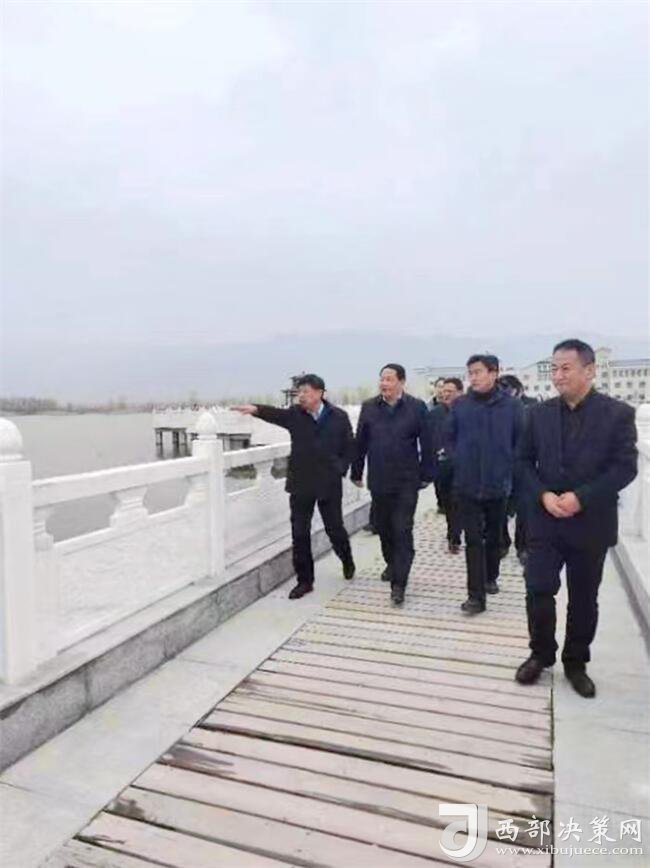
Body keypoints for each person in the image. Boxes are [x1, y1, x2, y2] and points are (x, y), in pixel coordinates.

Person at [515, 339, 637, 697]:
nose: (557, 375)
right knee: (538, 589)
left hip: (591, 522)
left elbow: (625, 467)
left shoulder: (617, 414)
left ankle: (576, 662)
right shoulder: (537, 414)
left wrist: (581, 498)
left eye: (565, 368)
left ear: (589, 370)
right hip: (545, 519)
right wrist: (543, 495)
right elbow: (522, 462)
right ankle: (540, 654)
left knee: (583, 598)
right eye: (553, 368)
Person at [232, 374, 355, 599]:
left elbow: (349, 447)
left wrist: (340, 468)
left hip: (328, 484)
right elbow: (274, 414)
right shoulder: (295, 415)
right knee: (299, 534)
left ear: (319, 393)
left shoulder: (338, 417)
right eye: (299, 392)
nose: (301, 396)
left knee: (335, 529)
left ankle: (347, 559)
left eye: (305, 391)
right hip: (301, 484)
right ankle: (304, 581)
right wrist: (255, 409)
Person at [446, 354, 524, 614]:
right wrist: (458, 459)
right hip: (467, 484)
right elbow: (449, 437)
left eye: (478, 372)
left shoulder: (512, 406)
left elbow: (521, 442)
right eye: (470, 372)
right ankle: (475, 597)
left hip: (498, 484)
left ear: (494, 373)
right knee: (473, 541)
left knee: (494, 537)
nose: (473, 377)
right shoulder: (460, 405)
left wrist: (508, 468)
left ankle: (491, 576)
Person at [351, 364, 434, 605]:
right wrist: (356, 471)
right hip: (379, 479)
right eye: (382, 379)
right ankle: (392, 563)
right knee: (384, 528)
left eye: (389, 379)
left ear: (401, 382)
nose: (384, 383)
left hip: (407, 480)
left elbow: (428, 442)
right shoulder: (369, 407)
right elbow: (360, 442)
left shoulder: (416, 407)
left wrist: (427, 473)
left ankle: (399, 584)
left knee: (402, 529)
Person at [497, 374, 538, 564]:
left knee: (525, 508)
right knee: (500, 507)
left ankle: (524, 547)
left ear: (517, 389)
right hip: (501, 464)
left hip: (525, 465)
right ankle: (502, 543)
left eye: (506, 388)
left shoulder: (533, 405)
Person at [429, 377, 464, 553]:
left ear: (460, 392)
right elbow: (429, 439)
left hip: (465, 466)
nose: (446, 394)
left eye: (450, 391)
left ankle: (456, 536)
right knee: (449, 504)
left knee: (460, 502)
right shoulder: (435, 414)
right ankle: (453, 534)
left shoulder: (468, 411)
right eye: (444, 391)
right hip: (444, 467)